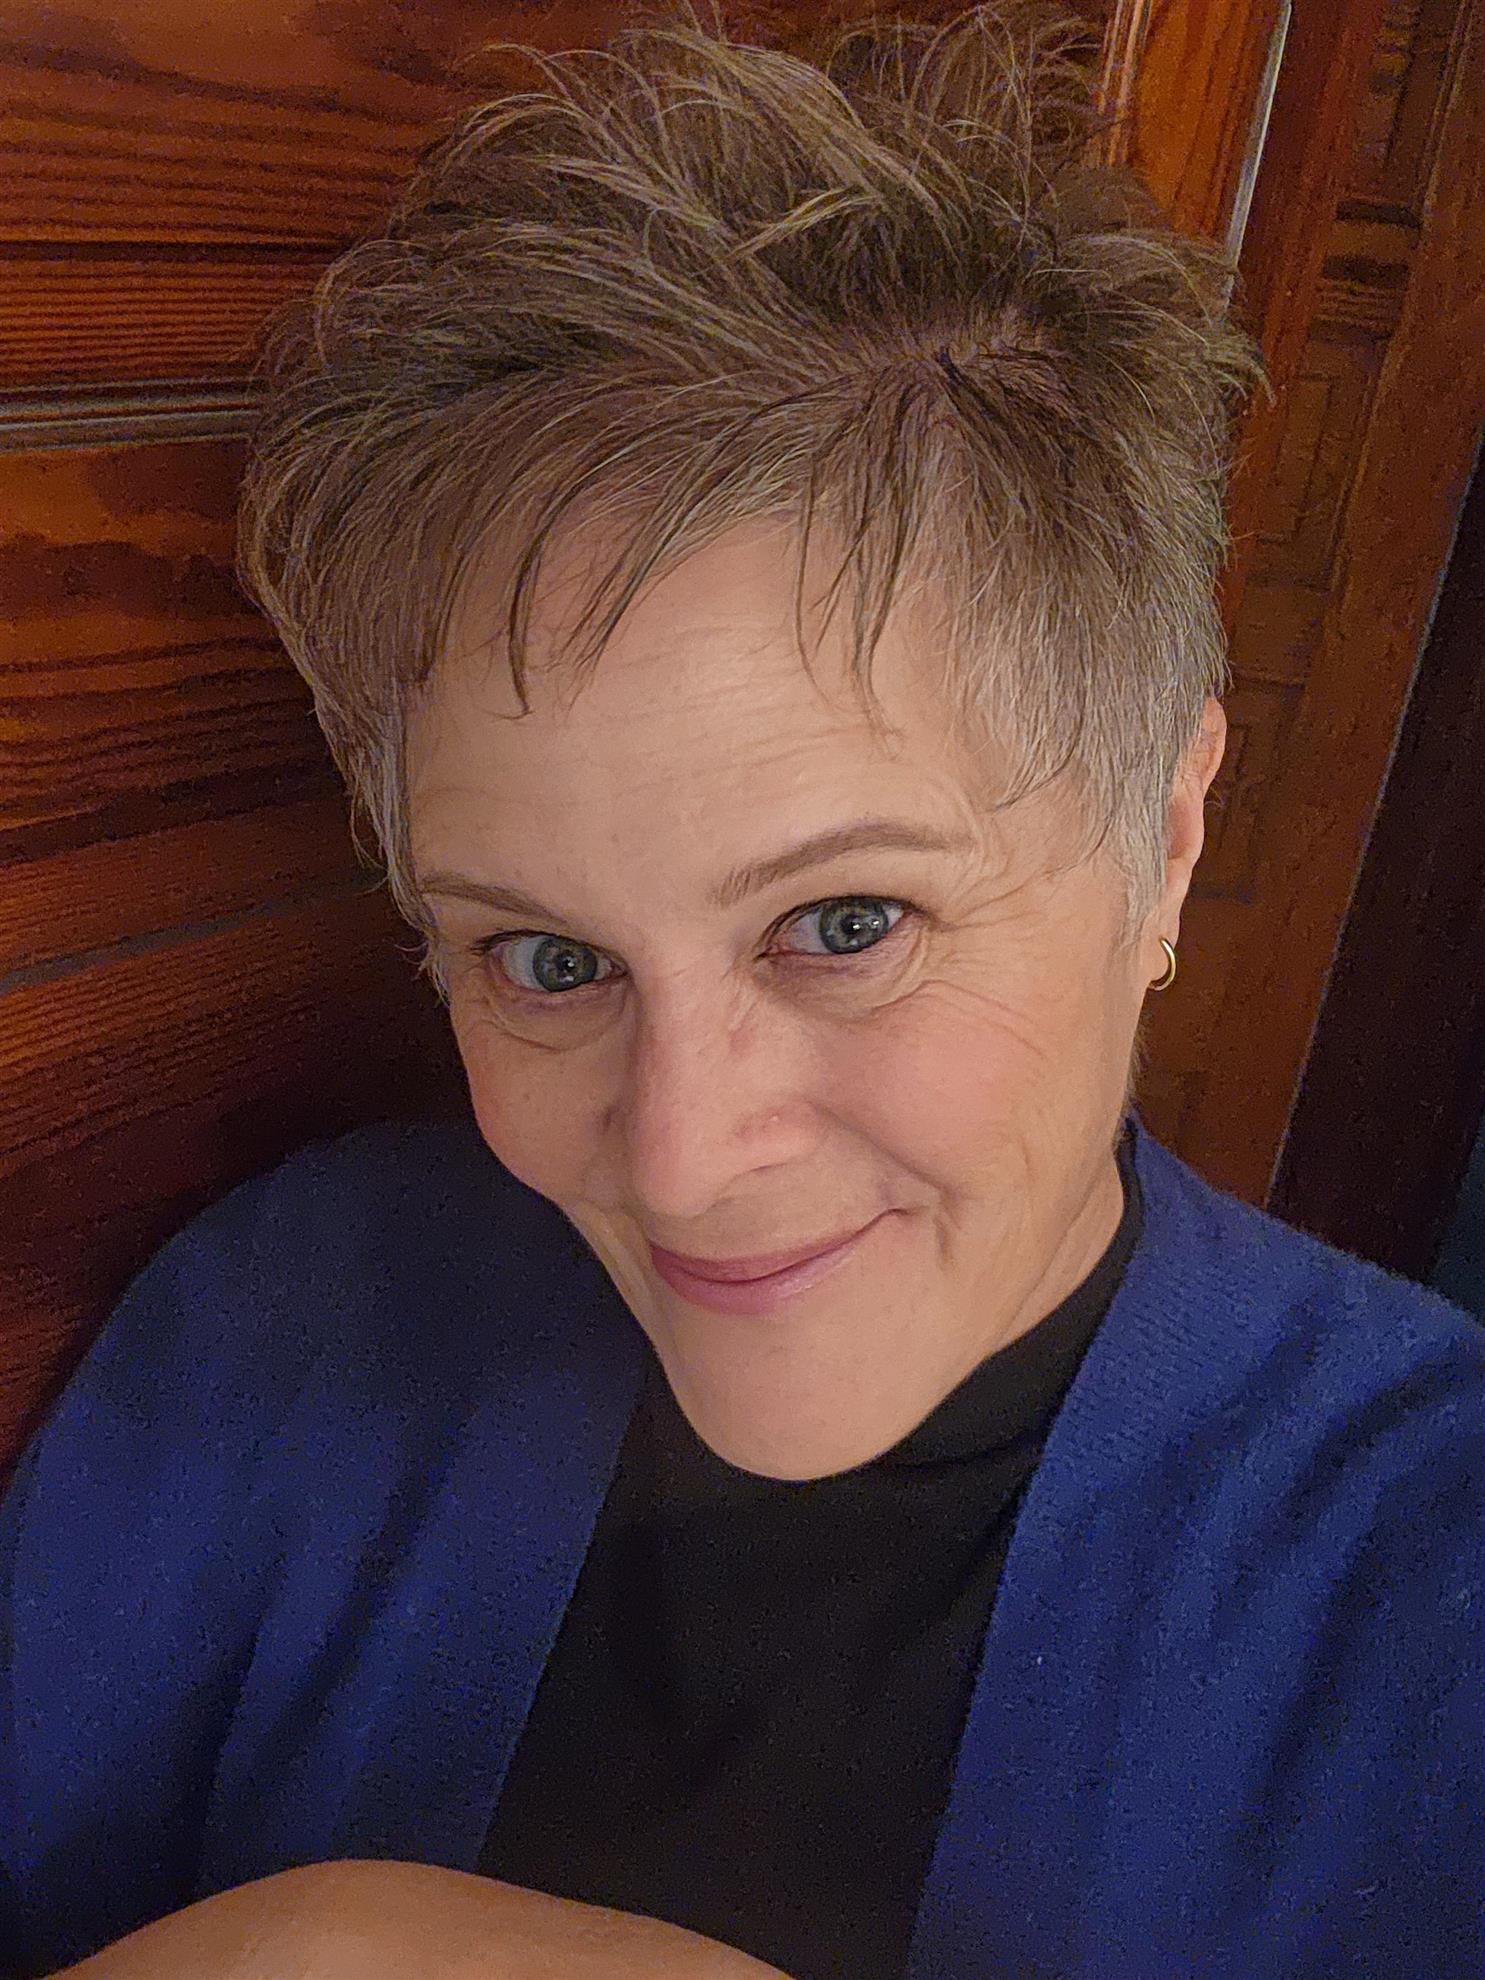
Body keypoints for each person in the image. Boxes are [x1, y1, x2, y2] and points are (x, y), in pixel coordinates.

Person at [4, 3, 1484, 1975]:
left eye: (843, 923)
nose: (681, 1158)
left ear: (1166, 836)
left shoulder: (1431, 1591)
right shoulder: (276, 1331)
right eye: (546, 960)